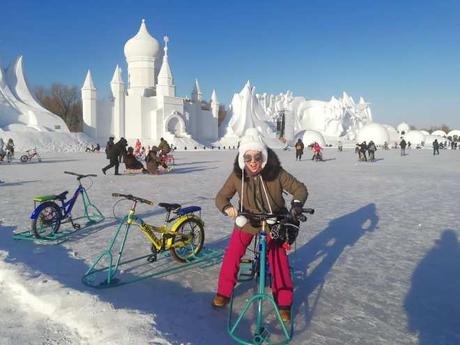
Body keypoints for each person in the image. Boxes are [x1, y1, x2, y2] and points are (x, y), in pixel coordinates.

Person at [212, 128, 308, 322]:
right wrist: (227, 208)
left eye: (257, 157)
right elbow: (221, 197)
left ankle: (283, 301)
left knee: (278, 258)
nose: (253, 162)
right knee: (232, 253)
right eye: (248, 158)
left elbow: (300, 189)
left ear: (263, 156)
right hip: (247, 221)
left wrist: (296, 205)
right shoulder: (237, 176)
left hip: (273, 222)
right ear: (242, 159)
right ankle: (223, 292)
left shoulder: (277, 173)